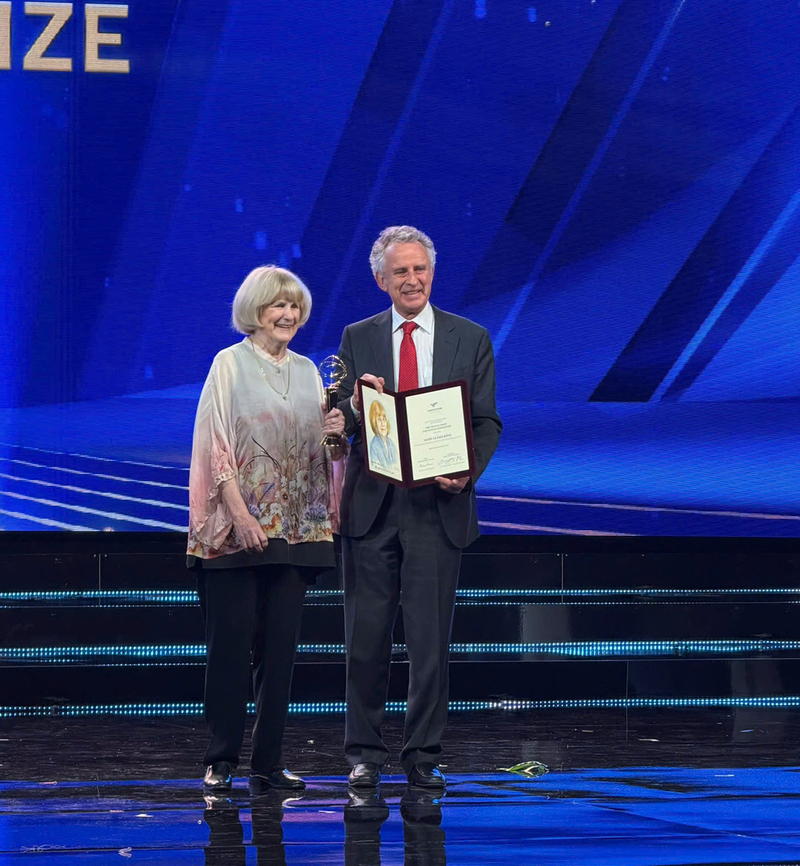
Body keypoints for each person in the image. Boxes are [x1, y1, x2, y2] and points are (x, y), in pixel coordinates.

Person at [336, 226, 502, 790]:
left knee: (429, 641)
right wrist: (353, 407)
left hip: (438, 506)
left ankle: (423, 753)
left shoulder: (470, 336)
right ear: (381, 279)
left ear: (432, 273)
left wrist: (466, 472)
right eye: (400, 271)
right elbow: (345, 420)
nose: (412, 280)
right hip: (372, 505)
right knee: (366, 637)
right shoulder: (357, 337)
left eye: (420, 269)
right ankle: (364, 753)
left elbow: (485, 420)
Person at [187, 265, 345, 794]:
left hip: (296, 532)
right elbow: (215, 444)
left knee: (280, 656)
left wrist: (335, 434)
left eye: (295, 307)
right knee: (230, 652)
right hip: (234, 534)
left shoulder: (308, 371)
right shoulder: (228, 365)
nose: (288, 315)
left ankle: (268, 763)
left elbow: (315, 452)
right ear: (255, 311)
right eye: (278, 306)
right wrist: (239, 513)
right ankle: (221, 758)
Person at [367, 399, 399, 471]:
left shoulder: (390, 442)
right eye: (379, 420)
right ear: (374, 423)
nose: (383, 424)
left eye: (384, 419)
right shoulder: (374, 446)